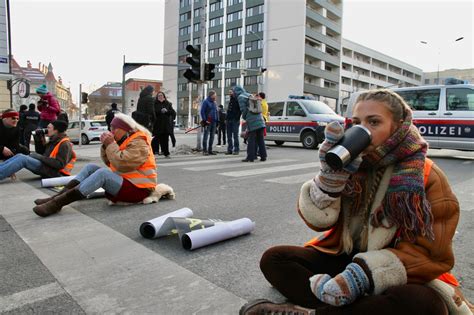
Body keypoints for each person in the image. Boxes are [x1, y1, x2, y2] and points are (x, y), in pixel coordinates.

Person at [240, 89, 473, 315]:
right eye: (357, 122)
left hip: (397, 271)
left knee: (423, 304)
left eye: (374, 122)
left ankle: (317, 312)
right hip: (347, 256)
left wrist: (362, 275)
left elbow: (432, 256)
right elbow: (320, 222)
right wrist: (328, 181)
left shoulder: (425, 174)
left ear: (398, 127)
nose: (363, 130)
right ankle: (359, 307)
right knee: (275, 259)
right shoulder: (351, 162)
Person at [33, 113, 157, 217]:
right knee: (90, 167)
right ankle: (56, 197)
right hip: (128, 184)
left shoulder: (140, 142)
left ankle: (57, 204)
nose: (111, 131)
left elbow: (122, 164)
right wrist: (106, 145)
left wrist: (110, 144)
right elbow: (110, 162)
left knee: (103, 174)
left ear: (125, 129)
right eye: (111, 128)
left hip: (139, 190)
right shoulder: (124, 140)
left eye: (114, 128)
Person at [0, 119, 75, 181]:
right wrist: (38, 139)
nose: (46, 129)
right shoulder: (54, 140)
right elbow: (42, 152)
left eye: (49, 128)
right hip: (46, 167)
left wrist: (40, 157)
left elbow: (60, 164)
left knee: (22, 159)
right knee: (20, 155)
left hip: (53, 172)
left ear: (56, 130)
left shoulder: (64, 144)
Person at [233, 86, 267, 162]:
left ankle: (250, 157)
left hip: (252, 120)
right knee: (260, 139)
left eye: (234, 92)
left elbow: (243, 110)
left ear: (236, 92)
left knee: (251, 139)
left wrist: (245, 117)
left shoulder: (240, 97)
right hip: (260, 119)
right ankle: (263, 156)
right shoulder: (249, 94)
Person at [35, 84, 61, 154]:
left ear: (42, 93)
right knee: (37, 132)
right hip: (43, 119)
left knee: (53, 135)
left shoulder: (52, 99)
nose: (38, 95)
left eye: (39, 93)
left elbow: (57, 110)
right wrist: (39, 106)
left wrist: (48, 106)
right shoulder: (42, 99)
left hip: (51, 120)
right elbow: (41, 110)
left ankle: (53, 149)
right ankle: (42, 149)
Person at [152, 92, 175, 157]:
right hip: (157, 124)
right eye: (159, 95)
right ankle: (155, 152)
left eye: (161, 95)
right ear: (157, 97)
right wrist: (160, 111)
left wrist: (166, 111)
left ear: (164, 96)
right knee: (155, 139)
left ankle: (166, 153)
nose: (160, 96)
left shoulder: (167, 103)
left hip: (165, 124)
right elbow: (153, 112)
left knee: (165, 140)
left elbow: (172, 112)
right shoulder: (154, 103)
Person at [200, 90, 219, 156]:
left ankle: (210, 150)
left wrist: (217, 121)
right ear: (211, 95)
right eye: (215, 95)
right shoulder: (205, 102)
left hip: (214, 122)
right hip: (208, 122)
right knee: (206, 136)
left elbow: (216, 112)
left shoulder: (214, 102)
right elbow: (202, 112)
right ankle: (205, 150)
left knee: (212, 136)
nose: (216, 96)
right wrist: (205, 120)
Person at [225, 89, 241, 155]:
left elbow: (240, 110)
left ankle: (236, 149)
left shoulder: (237, 99)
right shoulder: (230, 100)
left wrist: (237, 118)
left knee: (235, 135)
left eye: (231, 92)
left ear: (234, 92)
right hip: (229, 120)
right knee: (229, 136)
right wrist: (226, 118)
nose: (229, 93)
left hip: (235, 120)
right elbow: (229, 110)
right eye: (229, 92)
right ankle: (230, 149)